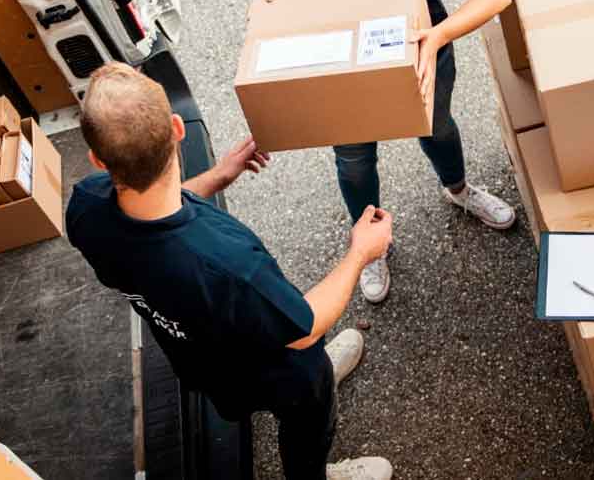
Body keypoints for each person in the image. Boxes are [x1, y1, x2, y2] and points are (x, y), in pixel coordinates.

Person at [66, 63, 395, 480]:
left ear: (97, 159)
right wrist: (360, 254)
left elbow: (148, 206)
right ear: (177, 129)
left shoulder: (85, 207)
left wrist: (219, 176)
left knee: (277, 379)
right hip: (277, 366)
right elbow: (305, 328)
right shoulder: (226, 262)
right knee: (308, 409)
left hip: (202, 360)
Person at [264, 0, 516, 304]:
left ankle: (459, 189)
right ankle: (370, 246)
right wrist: (277, 8)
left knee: (437, 126)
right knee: (354, 160)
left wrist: (438, 37)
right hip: (344, 65)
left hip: (420, 51)